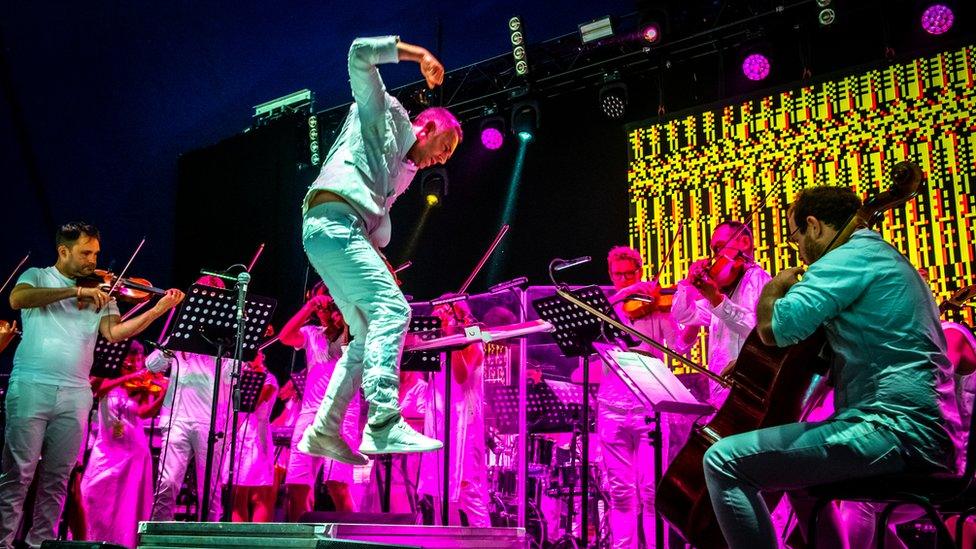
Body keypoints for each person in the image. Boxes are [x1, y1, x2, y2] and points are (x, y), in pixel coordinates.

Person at [702, 186, 961, 549]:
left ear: (814, 224)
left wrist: (774, 287)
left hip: (894, 430)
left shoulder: (847, 258)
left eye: (796, 238)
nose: (797, 249)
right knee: (798, 482)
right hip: (925, 431)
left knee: (722, 461)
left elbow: (777, 327)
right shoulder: (880, 256)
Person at [299, 35, 461, 463]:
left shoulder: (402, 172)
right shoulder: (386, 114)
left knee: (368, 335)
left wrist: (381, 263)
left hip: (334, 234)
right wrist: (419, 54)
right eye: (443, 148)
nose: (441, 160)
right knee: (395, 311)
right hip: (333, 224)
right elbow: (357, 53)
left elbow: (372, 219)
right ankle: (384, 423)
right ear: (426, 128)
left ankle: (324, 429)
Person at [0, 222, 184, 549]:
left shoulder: (103, 291)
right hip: (32, 384)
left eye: (95, 253)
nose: (92, 260)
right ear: (63, 251)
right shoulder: (38, 276)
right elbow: (18, 299)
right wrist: (76, 291)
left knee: (57, 479)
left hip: (76, 392)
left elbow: (115, 333)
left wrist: (157, 310)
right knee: (18, 473)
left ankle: (38, 544)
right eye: (85, 253)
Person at [600, 246, 696, 548]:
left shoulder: (656, 306)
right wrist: (621, 297)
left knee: (652, 491)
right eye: (620, 275)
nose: (627, 279)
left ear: (641, 271)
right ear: (611, 276)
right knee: (619, 492)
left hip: (649, 407)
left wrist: (693, 318)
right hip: (611, 406)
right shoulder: (606, 308)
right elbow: (590, 346)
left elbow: (680, 347)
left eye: (632, 273)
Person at [147, 275, 235, 522]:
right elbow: (152, 365)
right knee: (167, 483)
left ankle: (207, 542)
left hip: (213, 422)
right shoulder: (184, 330)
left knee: (211, 492)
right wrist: (173, 343)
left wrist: (228, 347)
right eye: (203, 293)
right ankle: (158, 539)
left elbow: (230, 376)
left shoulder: (227, 336)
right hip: (177, 420)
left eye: (214, 295)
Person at [278, 283, 361, 519]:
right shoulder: (311, 333)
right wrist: (309, 306)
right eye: (322, 302)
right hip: (309, 414)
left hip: (342, 413)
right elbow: (285, 336)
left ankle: (351, 540)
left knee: (337, 483)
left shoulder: (351, 330)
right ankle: (297, 542)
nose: (325, 306)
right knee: (296, 485)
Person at [670, 221, 771, 404]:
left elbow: (755, 331)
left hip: (744, 390)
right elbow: (683, 315)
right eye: (714, 251)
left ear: (745, 243)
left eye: (719, 247)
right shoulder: (725, 289)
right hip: (719, 391)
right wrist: (691, 284)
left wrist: (717, 299)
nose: (715, 257)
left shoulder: (758, 279)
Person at [412, 299, 489, 527]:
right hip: (439, 420)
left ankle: (485, 542)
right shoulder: (438, 342)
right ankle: (445, 539)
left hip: (464, 422)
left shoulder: (473, 337)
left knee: (467, 486)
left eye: (446, 311)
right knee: (437, 486)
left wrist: (448, 332)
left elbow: (461, 375)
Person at [81, 341, 167, 548]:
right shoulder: (107, 378)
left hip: (134, 450)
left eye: (139, 358)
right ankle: (90, 540)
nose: (135, 362)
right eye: (131, 356)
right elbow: (96, 391)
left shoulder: (141, 385)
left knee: (127, 503)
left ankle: (122, 543)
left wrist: (163, 393)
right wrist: (129, 377)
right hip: (107, 449)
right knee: (92, 494)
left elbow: (144, 413)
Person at [229, 351, 278, 523]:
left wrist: (246, 377)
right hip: (237, 435)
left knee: (259, 496)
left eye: (254, 353)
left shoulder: (268, 378)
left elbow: (255, 402)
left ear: (262, 356)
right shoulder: (239, 375)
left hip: (257, 436)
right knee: (236, 495)